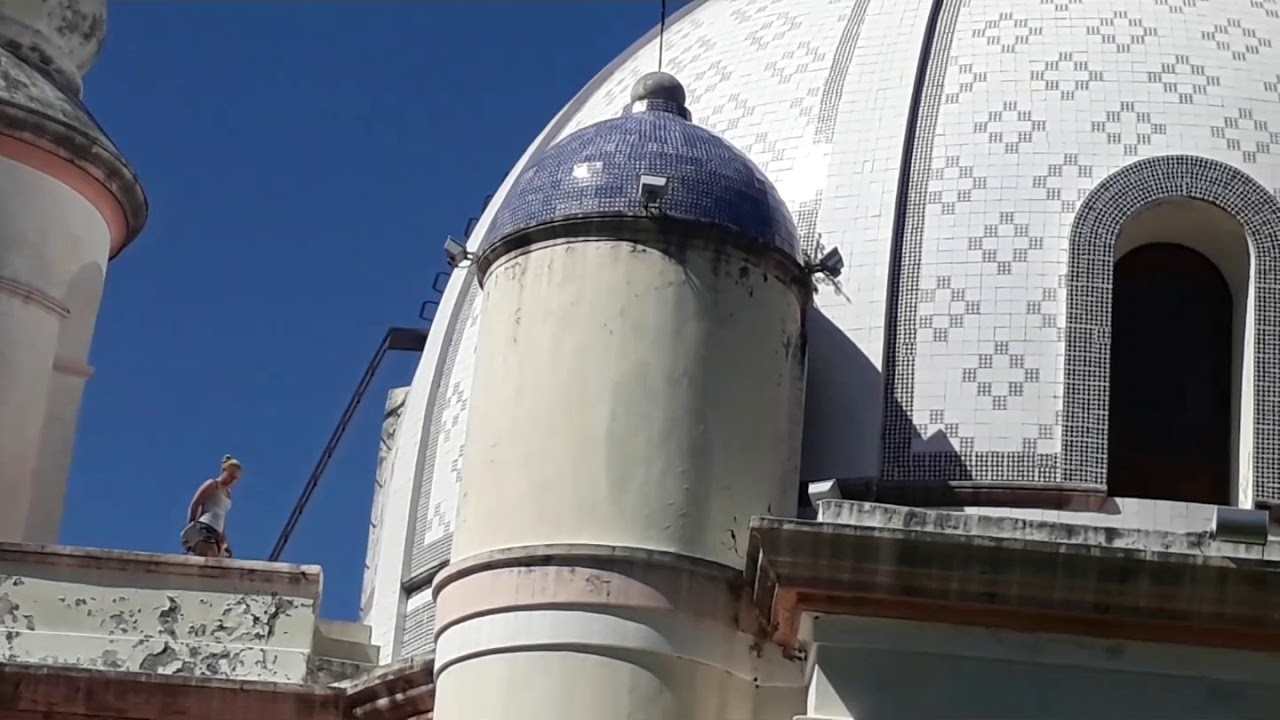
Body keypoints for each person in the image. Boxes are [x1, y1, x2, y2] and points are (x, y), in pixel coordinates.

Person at [181, 455, 241, 558]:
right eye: (230, 476)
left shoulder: (229, 495)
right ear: (224, 471)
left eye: (235, 478)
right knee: (209, 556)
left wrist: (225, 540)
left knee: (217, 563)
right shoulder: (212, 484)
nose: (232, 480)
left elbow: (222, 517)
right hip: (205, 528)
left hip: (217, 533)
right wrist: (191, 529)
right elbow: (195, 505)